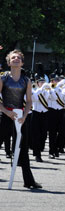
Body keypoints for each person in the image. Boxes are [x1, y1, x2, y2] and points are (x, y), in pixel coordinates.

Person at [0, 49, 42, 189]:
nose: (16, 59)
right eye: (13, 58)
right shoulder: (3, 78)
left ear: (22, 62)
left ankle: (29, 181)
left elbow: (29, 101)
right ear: (9, 62)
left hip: (20, 117)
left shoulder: (26, 80)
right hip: (5, 115)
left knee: (23, 149)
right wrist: (6, 112)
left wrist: (24, 116)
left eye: (19, 58)